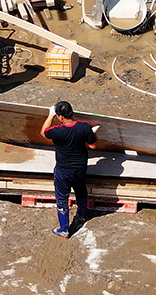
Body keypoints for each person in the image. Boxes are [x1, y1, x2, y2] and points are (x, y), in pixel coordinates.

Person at [41, 100, 99, 238]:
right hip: (80, 169)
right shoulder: (84, 127)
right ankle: (81, 216)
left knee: (62, 199)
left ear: (60, 117)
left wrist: (50, 116)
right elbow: (93, 146)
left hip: (63, 171)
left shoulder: (56, 131)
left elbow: (43, 132)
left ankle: (64, 229)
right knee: (81, 192)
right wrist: (93, 133)